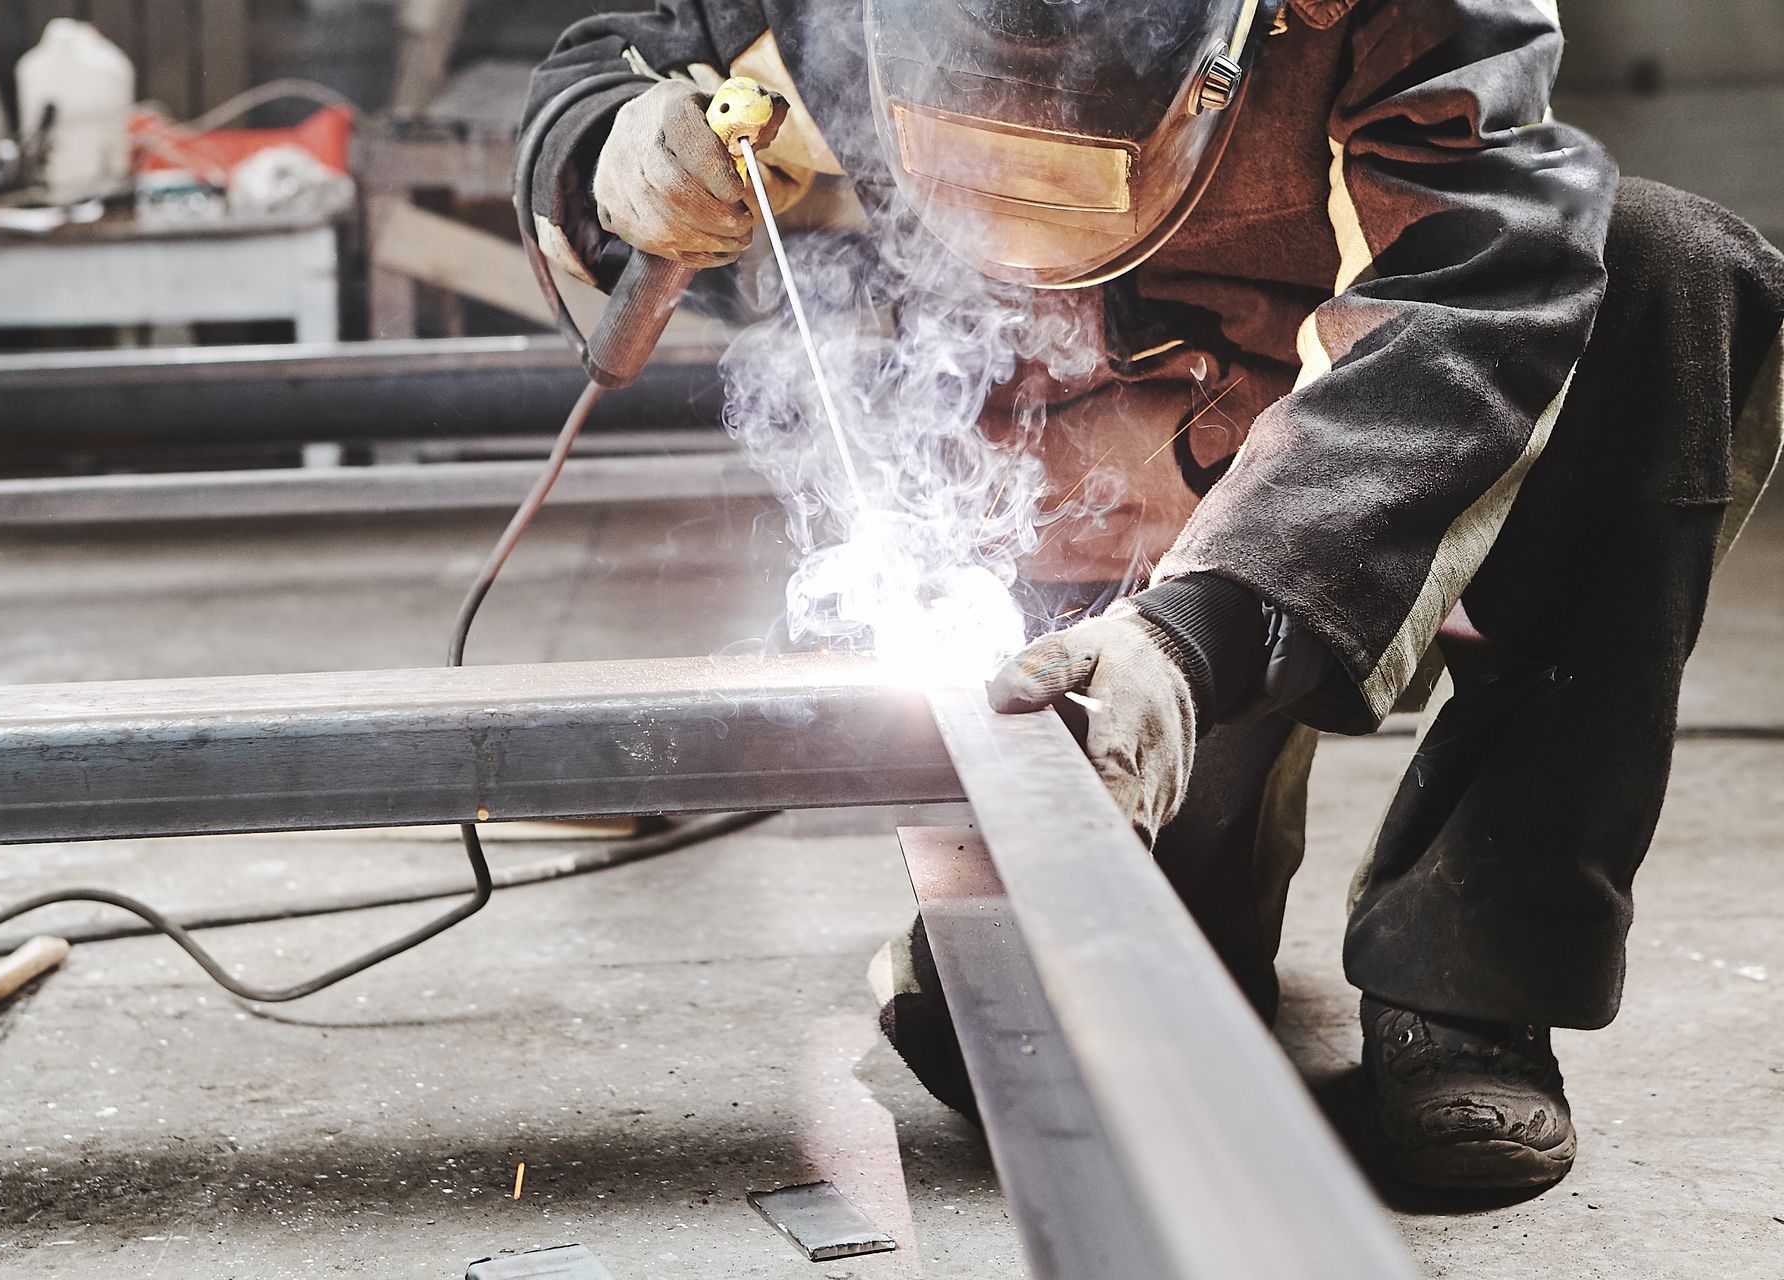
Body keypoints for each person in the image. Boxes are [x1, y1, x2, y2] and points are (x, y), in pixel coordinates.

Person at [525, 0, 1784, 1190]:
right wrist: (606, 151)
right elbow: (608, 56)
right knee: (1070, 1039)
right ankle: (1155, 876)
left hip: (1339, 472)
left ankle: (1469, 979)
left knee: (1659, 267)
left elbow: (1482, 274)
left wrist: (1196, 630)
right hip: (1055, 509)